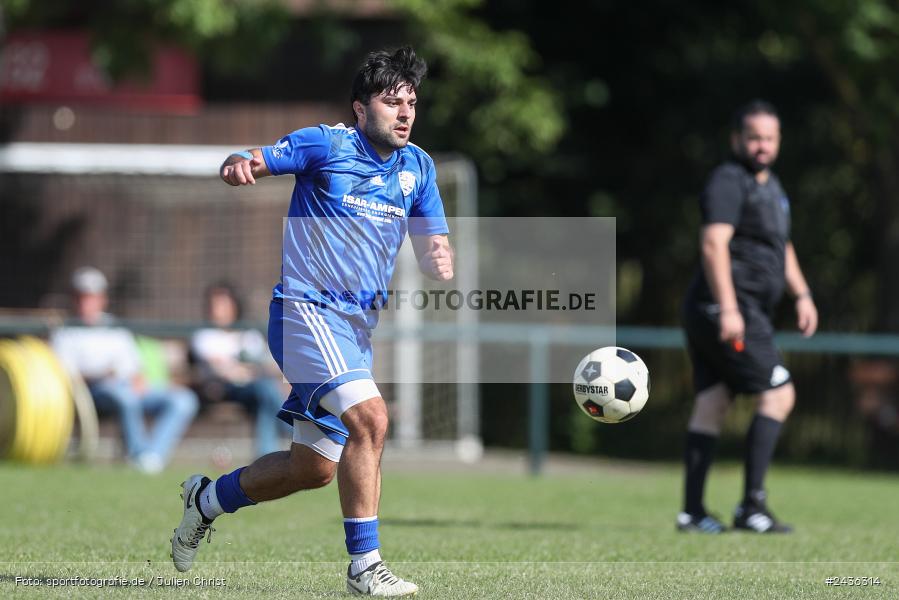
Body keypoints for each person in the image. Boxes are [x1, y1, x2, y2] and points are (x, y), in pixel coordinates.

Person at [170, 46, 453, 597]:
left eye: (411, 103)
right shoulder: (327, 144)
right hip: (305, 312)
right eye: (391, 102)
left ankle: (205, 500)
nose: (404, 113)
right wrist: (238, 163)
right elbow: (253, 157)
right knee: (371, 420)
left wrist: (438, 255)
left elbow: (431, 241)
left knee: (312, 469)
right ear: (359, 109)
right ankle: (365, 567)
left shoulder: (418, 167)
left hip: (355, 331)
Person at [677, 100, 818, 534]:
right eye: (754, 137)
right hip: (729, 308)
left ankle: (693, 513)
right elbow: (713, 244)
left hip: (732, 309)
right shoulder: (728, 180)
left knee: (714, 401)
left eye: (770, 138)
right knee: (779, 394)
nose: (762, 146)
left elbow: (782, 246)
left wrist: (802, 294)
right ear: (736, 139)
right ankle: (751, 508)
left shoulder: (772, 186)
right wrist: (730, 308)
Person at [51, 266, 199, 473]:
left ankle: (152, 457)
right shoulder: (65, 333)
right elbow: (68, 377)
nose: (86, 303)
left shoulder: (115, 327)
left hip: (128, 386)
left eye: (91, 297)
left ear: (102, 299)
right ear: (74, 299)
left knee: (183, 399)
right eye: (82, 297)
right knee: (124, 397)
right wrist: (105, 375)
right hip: (95, 393)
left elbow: (134, 368)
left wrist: (137, 379)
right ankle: (139, 455)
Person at [190, 282, 288, 457]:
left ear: (234, 305)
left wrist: (247, 370)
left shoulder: (248, 334)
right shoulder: (205, 335)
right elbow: (220, 369)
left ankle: (265, 455)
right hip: (222, 389)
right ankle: (291, 429)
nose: (216, 310)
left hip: (254, 388)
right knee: (266, 390)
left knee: (266, 396)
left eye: (222, 304)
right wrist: (247, 370)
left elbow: (269, 365)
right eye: (213, 305)